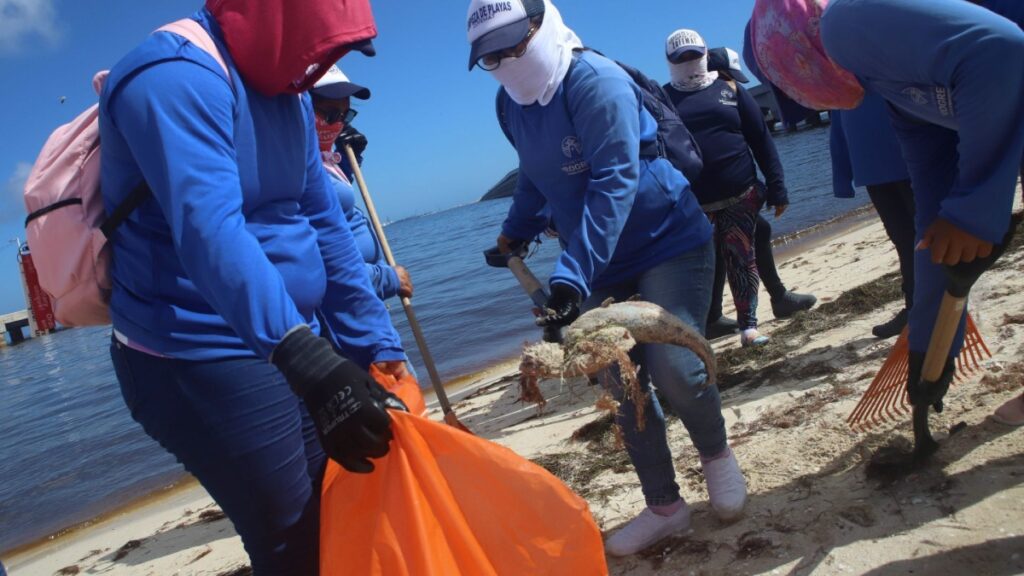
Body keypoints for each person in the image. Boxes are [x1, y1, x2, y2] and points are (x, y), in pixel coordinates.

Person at [99, 2, 411, 573]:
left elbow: (323, 223)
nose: (323, 65)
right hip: (196, 349)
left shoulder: (291, 88)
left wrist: (375, 341)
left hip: (291, 336)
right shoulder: (171, 76)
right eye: (320, 48)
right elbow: (209, 229)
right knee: (293, 541)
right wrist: (309, 363)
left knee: (338, 507)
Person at [467, 0, 747, 556]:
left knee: (672, 365)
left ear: (541, 25)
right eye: (490, 57)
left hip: (667, 239)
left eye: (514, 45)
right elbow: (536, 176)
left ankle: (716, 455)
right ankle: (665, 505)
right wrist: (513, 235)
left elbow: (615, 181)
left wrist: (569, 279)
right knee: (620, 382)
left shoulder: (595, 81)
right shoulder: (512, 103)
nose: (505, 62)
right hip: (599, 260)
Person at [751, 0, 1024, 425]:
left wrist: (974, 211)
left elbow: (1004, 49)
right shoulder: (900, 100)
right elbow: (933, 217)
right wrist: (930, 341)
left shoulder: (844, 22)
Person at [663, 30, 784, 347]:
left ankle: (749, 327)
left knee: (743, 261)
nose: (690, 63)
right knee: (697, 271)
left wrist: (777, 186)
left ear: (704, 54)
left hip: (740, 194)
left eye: (694, 56)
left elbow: (761, 140)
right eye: (682, 59)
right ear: (670, 62)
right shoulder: (661, 99)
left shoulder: (730, 88)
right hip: (691, 206)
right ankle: (697, 331)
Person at [704, 46, 816, 340]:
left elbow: (760, 140)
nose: (733, 83)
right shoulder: (709, 97)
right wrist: (777, 187)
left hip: (729, 195)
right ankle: (725, 312)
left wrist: (776, 186)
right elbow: (762, 142)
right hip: (710, 199)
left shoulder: (728, 96)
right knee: (728, 243)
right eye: (729, 76)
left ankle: (721, 313)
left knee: (752, 234)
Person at [310, 65, 414, 302]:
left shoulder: (323, 160)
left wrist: (350, 160)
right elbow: (320, 262)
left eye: (345, 116)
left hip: (363, 299)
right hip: (346, 304)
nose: (338, 124)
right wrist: (386, 279)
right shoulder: (294, 170)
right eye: (329, 114)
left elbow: (333, 202)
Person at [830, 91, 916, 339]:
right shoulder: (839, 69)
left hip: (912, 156)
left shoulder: (885, 56)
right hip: (871, 168)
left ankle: (939, 306)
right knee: (902, 239)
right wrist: (842, 177)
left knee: (928, 235)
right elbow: (838, 123)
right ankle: (914, 307)